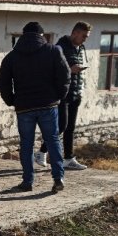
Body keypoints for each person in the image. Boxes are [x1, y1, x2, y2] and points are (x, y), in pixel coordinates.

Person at [0, 22, 71, 192]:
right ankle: (58, 177)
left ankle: (28, 181)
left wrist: (12, 100)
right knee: (52, 140)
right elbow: (65, 76)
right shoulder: (53, 51)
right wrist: (59, 95)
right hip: (48, 105)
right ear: (42, 35)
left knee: (26, 144)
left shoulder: (12, 56)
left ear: (23, 36)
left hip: (24, 108)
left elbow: (3, 83)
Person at [35, 21, 92, 170]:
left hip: (75, 92)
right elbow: (55, 68)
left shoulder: (80, 48)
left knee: (70, 128)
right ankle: (41, 152)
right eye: (84, 36)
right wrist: (70, 69)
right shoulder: (60, 47)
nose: (85, 39)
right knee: (61, 126)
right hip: (62, 93)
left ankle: (68, 158)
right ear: (75, 33)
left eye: (87, 37)